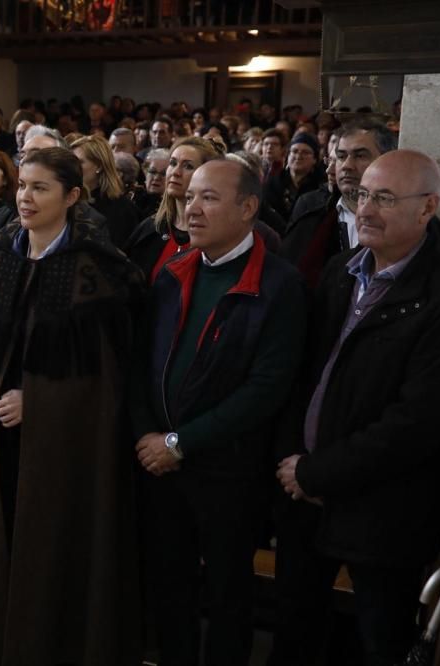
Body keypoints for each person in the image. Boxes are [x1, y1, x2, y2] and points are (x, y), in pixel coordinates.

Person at [0, 147, 145, 665]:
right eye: (22, 186)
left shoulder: (101, 273)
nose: (25, 198)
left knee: (52, 546)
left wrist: (40, 402)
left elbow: (109, 378)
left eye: (40, 188)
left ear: (72, 196)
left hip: (60, 446)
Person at [132, 159, 308, 666]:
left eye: (208, 197)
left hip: (228, 469)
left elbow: (266, 388)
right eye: (190, 196)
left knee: (229, 591)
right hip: (159, 462)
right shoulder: (171, 273)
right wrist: (148, 433)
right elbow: (141, 365)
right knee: (170, 585)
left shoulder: (279, 285)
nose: (192, 207)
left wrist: (179, 442)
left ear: (248, 208)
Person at [271, 151, 440, 666]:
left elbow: (417, 423)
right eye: (363, 194)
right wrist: (293, 466)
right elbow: (301, 376)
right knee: (294, 638)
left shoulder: (436, 293)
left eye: (385, 198)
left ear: (428, 207)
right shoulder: (341, 271)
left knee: (378, 644)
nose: (365, 209)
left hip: (384, 512)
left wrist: (316, 471)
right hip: (305, 496)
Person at [281, 120, 396, 289]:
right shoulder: (310, 217)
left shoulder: (404, 223)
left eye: (360, 155)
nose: (347, 166)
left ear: (387, 160)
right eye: (341, 157)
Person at [124, 137, 224, 281]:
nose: (175, 172)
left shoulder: (219, 237)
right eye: (172, 163)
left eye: (188, 166)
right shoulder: (151, 228)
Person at [72, 135, 141, 248]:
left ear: (99, 166)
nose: (72, 167)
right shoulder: (65, 201)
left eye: (79, 162)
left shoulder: (123, 210)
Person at [264, 133, 324, 223]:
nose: (299, 156)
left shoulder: (320, 186)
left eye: (305, 152)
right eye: (295, 151)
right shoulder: (273, 183)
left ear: (315, 159)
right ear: (288, 156)